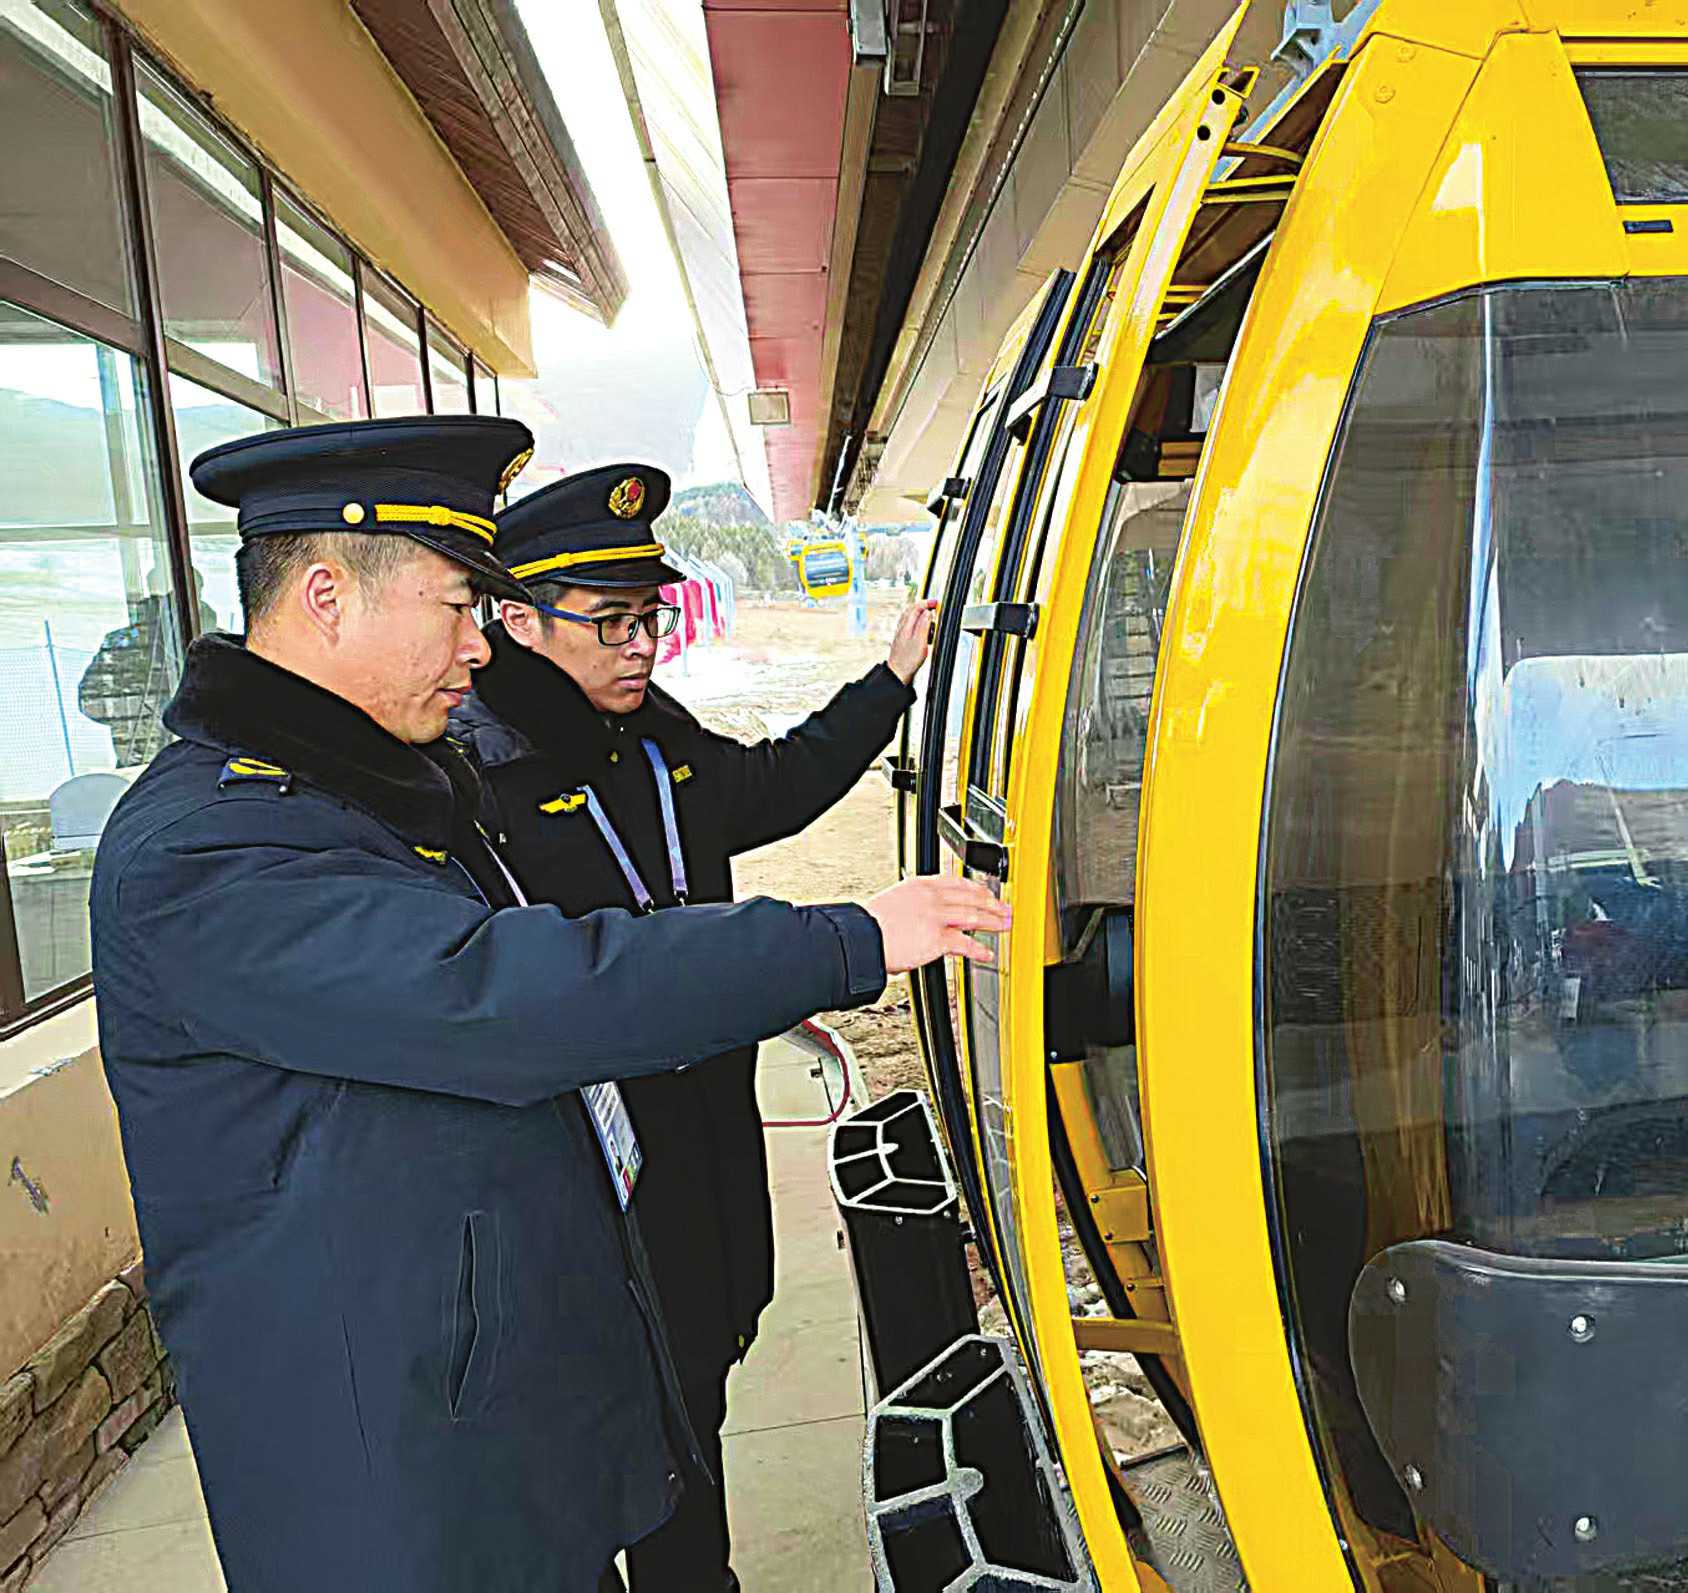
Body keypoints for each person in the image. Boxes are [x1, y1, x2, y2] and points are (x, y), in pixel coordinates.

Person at [88, 416, 1006, 1593]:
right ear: (327, 596)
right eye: (456, 607)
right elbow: (503, 992)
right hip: (392, 1468)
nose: (478, 646)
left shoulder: (376, 788)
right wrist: (848, 939)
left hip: (485, 1398)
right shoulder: (214, 848)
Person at [448, 463, 928, 1591]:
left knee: (692, 1398)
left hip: (698, 1146)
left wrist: (889, 683)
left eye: (648, 618)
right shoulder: (470, 783)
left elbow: (774, 786)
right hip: (582, 1182)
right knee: (611, 1440)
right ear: (516, 621)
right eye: (608, 621)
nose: (639, 647)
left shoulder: (652, 743)